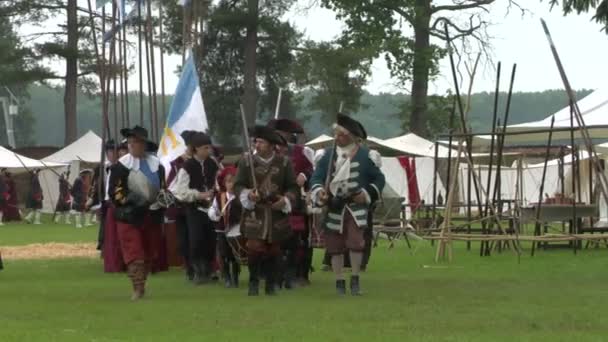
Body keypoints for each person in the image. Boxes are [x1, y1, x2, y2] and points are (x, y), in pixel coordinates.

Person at [310, 113, 385, 296]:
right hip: (333, 205)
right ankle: (339, 281)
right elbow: (317, 177)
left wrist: (366, 194)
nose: (337, 137)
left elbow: (379, 179)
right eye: (336, 134)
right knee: (334, 246)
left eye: (341, 134)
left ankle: (355, 279)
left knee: (356, 243)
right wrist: (319, 190)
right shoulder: (326, 155)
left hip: (355, 206)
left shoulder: (367, 155)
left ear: (352, 136)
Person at [234, 125, 298, 296]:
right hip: (255, 212)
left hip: (276, 213)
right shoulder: (246, 161)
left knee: (274, 250)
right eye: (256, 141)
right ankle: (253, 283)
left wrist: (285, 200)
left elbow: (293, 187)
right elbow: (237, 185)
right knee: (254, 248)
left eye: (261, 142)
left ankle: (271, 284)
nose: (257, 145)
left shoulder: (284, 162)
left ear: (271, 145)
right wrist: (248, 194)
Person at [108, 125, 166, 300]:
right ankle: (137, 288)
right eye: (130, 142)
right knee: (135, 253)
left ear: (144, 144)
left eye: (136, 142)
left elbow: (162, 187)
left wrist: (164, 197)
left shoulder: (157, 166)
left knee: (148, 252)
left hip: (152, 214)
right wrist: (131, 200)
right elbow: (116, 192)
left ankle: (142, 283)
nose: (132, 145)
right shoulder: (121, 166)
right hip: (129, 216)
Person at [267, 118, 315, 288]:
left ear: (287, 135)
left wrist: (304, 175)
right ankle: (273, 275)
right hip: (272, 201)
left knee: (298, 240)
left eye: (281, 134)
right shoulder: (264, 153)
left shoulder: (302, 151)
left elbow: (313, 171)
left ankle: (298, 274)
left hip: (296, 203)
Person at [169, 131, 219, 284]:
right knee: (196, 240)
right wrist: (199, 195)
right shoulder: (188, 166)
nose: (208, 151)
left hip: (211, 209)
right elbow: (179, 191)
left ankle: (208, 270)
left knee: (211, 240)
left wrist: (214, 192)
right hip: (194, 208)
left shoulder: (213, 163)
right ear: (196, 148)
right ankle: (198, 271)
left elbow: (219, 180)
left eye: (209, 147)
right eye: (205, 147)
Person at [166, 130, 196, 280]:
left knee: (197, 239)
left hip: (197, 207)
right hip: (181, 209)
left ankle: (201, 268)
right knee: (184, 241)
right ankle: (190, 268)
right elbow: (171, 186)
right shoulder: (178, 164)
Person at [208, 166, 242, 288]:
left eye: (233, 181)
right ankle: (226, 276)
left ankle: (235, 276)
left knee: (235, 254)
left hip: (236, 230)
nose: (231, 184)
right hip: (222, 230)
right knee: (224, 253)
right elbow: (212, 211)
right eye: (228, 181)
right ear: (224, 183)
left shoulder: (240, 197)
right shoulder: (219, 197)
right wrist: (216, 214)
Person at [99, 139, 127, 273]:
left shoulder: (119, 167)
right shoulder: (109, 167)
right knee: (110, 237)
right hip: (109, 203)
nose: (111, 154)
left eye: (113, 151)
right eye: (109, 151)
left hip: (118, 203)